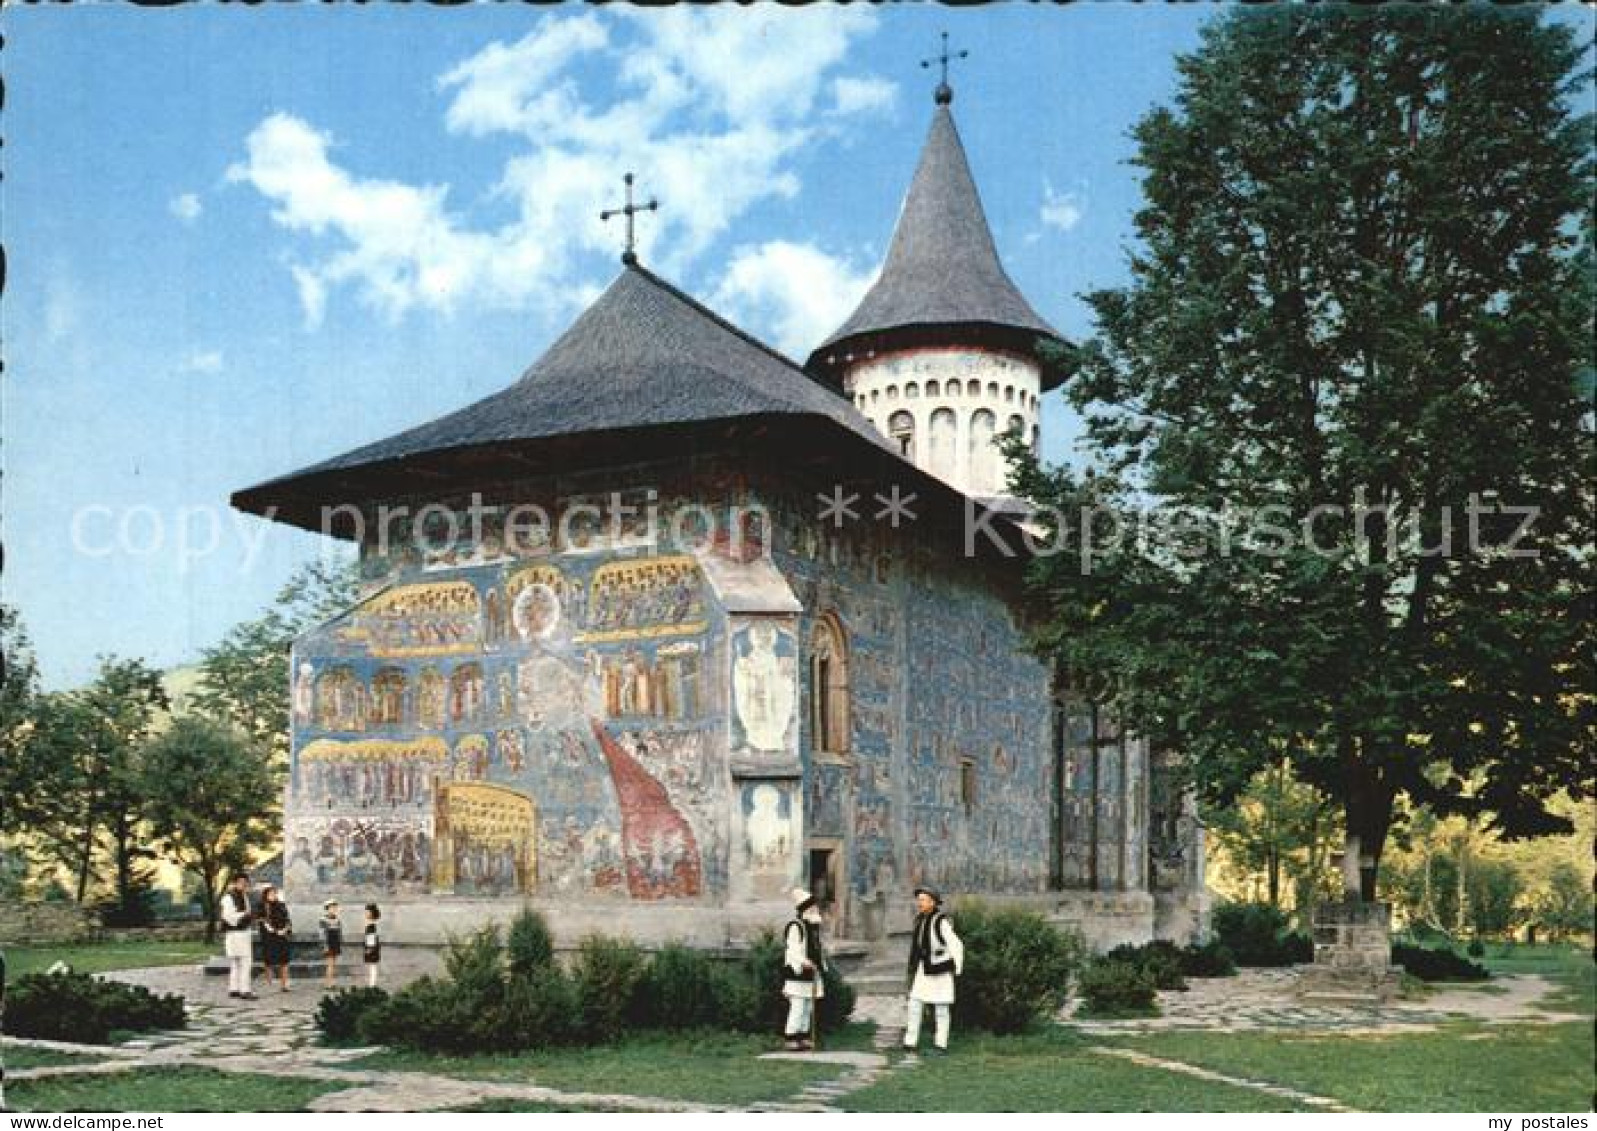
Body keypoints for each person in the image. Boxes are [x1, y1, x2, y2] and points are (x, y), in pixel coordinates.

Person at [903, 886, 963, 1055]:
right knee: (915, 1003)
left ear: (932, 902)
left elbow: (955, 944)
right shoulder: (920, 920)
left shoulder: (940, 921)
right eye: (919, 900)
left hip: (940, 969)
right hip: (924, 969)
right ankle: (910, 1042)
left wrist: (956, 967)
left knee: (941, 1008)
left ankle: (940, 1045)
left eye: (923, 900)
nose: (919, 903)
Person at [780, 888, 827, 1051]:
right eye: (812, 908)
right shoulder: (796, 926)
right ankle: (791, 1036)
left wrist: (820, 965)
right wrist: (804, 962)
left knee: (808, 1006)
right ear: (805, 909)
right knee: (798, 1006)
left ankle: (803, 1035)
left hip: (812, 973)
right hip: (798, 973)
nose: (815, 910)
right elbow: (792, 950)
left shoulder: (812, 927)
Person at [220, 872, 258, 1001]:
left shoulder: (244, 896)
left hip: (243, 932)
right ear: (235, 883)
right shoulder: (228, 898)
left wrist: (247, 915)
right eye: (241, 882)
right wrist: (244, 914)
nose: (244, 885)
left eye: (245, 882)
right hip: (235, 933)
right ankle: (244, 990)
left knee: (239, 963)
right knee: (243, 962)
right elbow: (228, 916)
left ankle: (234, 988)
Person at [259, 885, 293, 992]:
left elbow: (287, 919)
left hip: (282, 935)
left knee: (284, 960)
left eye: (274, 893)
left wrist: (285, 929)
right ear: (266, 895)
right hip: (269, 937)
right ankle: (269, 981)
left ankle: (284, 984)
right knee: (269, 960)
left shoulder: (281, 905)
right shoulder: (263, 906)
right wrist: (273, 930)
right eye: (271, 893)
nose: (273, 895)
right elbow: (263, 921)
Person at [319, 900, 344, 987]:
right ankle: (328, 983)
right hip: (328, 942)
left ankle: (331, 982)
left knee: (333, 964)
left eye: (335, 907)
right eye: (332, 907)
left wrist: (340, 942)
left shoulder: (338, 919)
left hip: (335, 942)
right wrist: (325, 945)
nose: (334, 909)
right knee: (330, 964)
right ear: (327, 908)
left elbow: (340, 932)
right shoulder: (323, 919)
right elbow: (322, 933)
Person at [362, 903, 382, 988]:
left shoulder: (371, 925)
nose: (366, 914)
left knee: (372, 966)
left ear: (371, 913)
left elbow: (371, 937)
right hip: (373, 946)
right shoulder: (371, 924)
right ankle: (372, 983)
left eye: (367, 912)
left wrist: (369, 949)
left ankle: (372, 984)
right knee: (372, 966)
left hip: (372, 947)